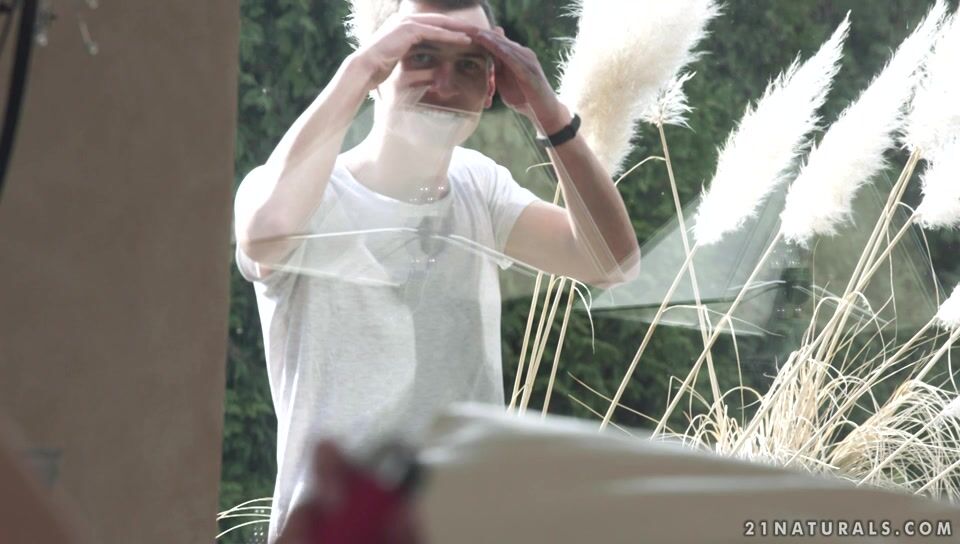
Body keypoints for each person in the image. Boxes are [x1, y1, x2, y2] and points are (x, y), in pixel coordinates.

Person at [233, 0, 640, 541]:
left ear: (492, 87)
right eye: (420, 55)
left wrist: (548, 113)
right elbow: (266, 234)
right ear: (381, 65)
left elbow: (611, 262)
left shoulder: (479, 186)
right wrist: (360, 68)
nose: (445, 85)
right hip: (333, 529)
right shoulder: (305, 192)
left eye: (470, 64)